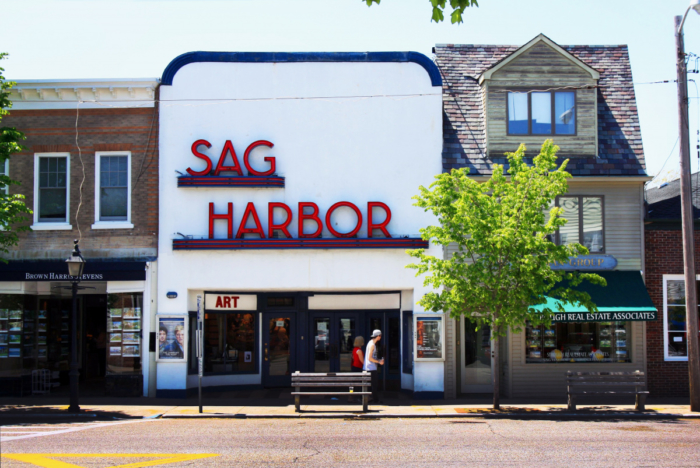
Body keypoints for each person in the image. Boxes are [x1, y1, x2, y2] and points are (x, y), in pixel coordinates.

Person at [363, 330, 384, 404]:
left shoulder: (371, 343)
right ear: (378, 336)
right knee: (374, 385)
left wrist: (378, 360)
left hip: (369, 367)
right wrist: (379, 361)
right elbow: (370, 358)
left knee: (372, 385)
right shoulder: (372, 345)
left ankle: (371, 399)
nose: (381, 338)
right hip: (370, 368)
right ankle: (376, 400)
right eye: (380, 336)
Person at [349, 336, 365, 403]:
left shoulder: (354, 349)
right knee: (358, 384)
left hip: (354, 367)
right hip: (358, 368)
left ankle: (350, 396)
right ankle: (358, 397)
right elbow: (362, 361)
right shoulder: (359, 351)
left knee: (353, 383)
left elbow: (352, 358)